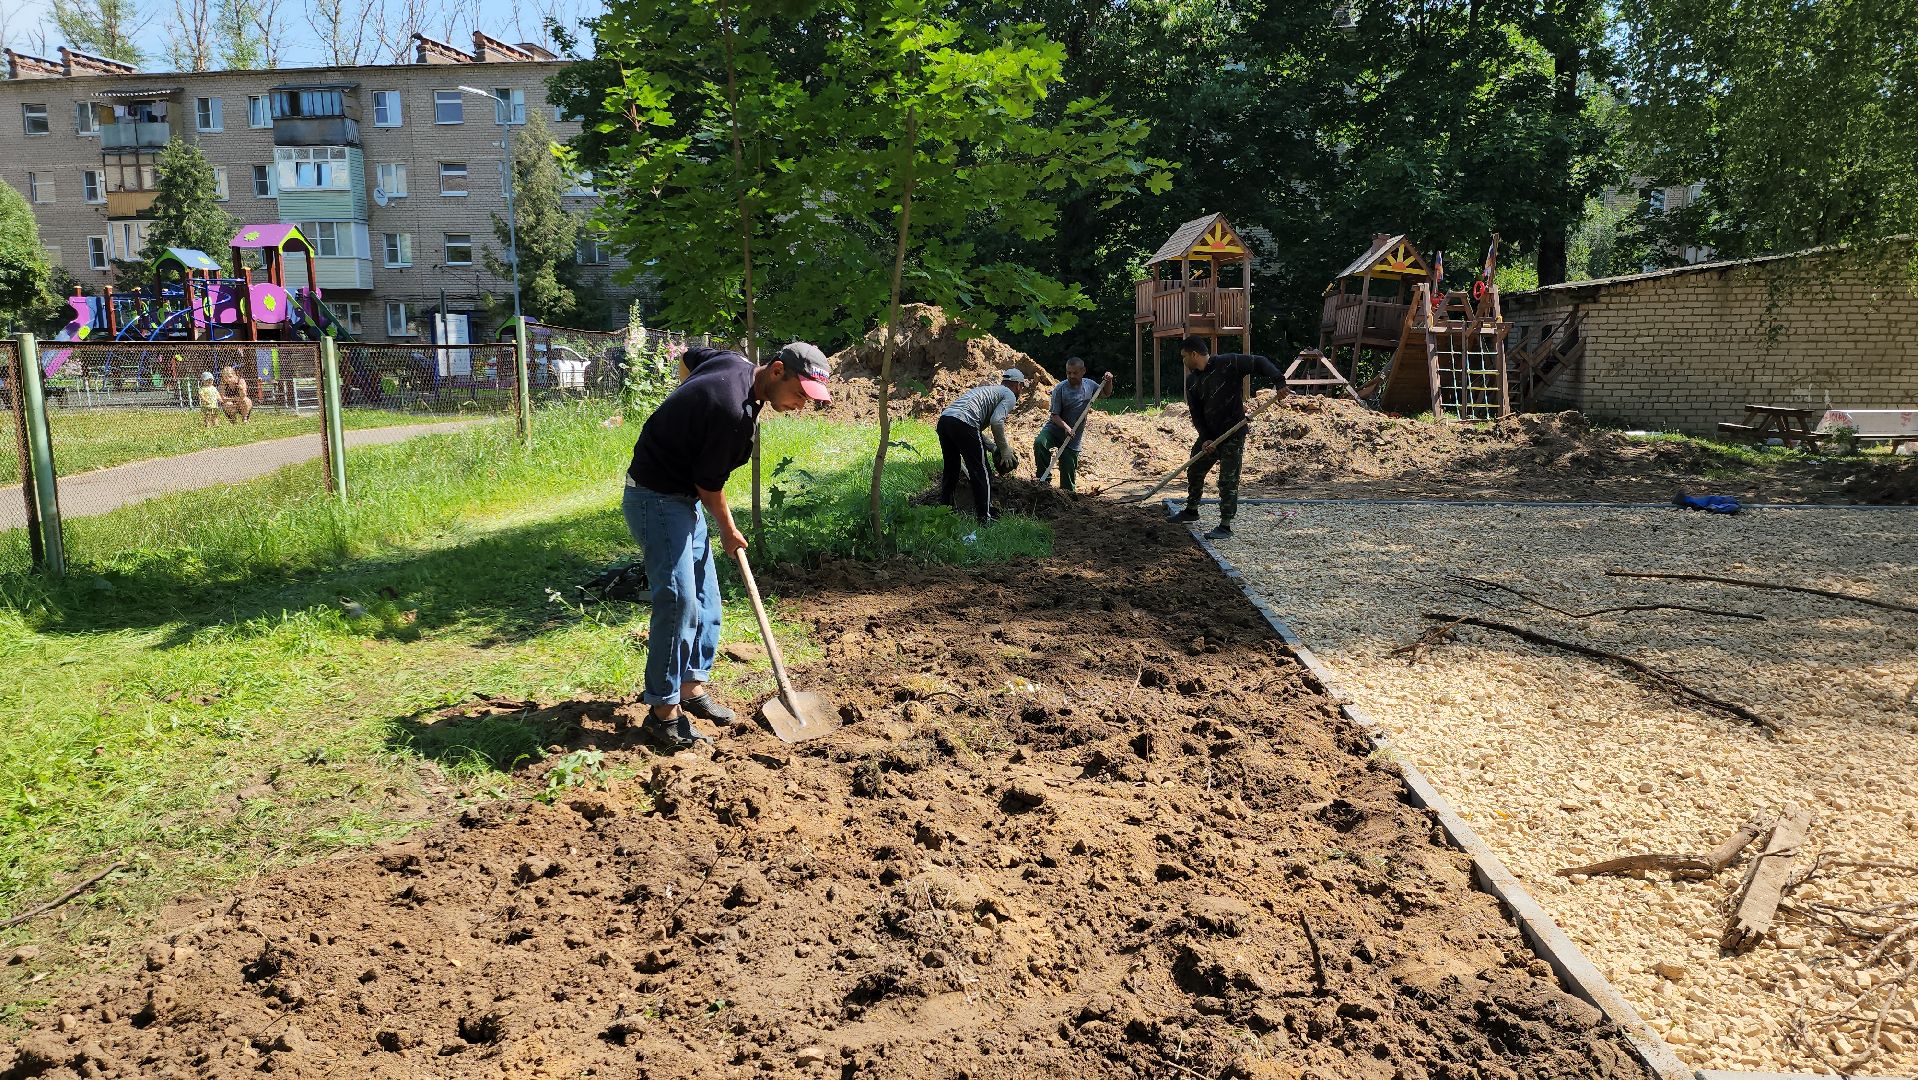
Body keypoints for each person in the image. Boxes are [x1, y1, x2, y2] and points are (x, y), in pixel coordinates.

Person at [625, 341, 831, 750]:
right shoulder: (728, 412)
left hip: (682, 498)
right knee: (680, 599)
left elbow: (688, 359)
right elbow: (709, 485)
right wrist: (728, 528)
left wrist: (685, 410)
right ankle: (663, 712)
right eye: (799, 395)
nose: (801, 406)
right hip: (657, 498)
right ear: (776, 371)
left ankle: (691, 688)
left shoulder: (734, 363)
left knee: (707, 597)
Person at [1173, 336, 1285, 540]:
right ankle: (1191, 510)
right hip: (1211, 435)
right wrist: (1205, 438)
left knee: (1227, 480)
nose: (1183, 361)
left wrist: (1279, 381)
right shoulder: (1192, 382)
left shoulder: (1228, 363)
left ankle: (1225, 525)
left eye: (1184, 357)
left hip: (1233, 432)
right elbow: (1196, 414)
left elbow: (1258, 362)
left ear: (1193, 354)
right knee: (1195, 469)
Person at [938, 369, 1031, 521]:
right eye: (1021, 388)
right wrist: (1004, 449)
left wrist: (993, 447)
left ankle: (944, 510)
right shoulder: (1009, 394)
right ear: (1018, 385)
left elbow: (973, 429)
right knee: (982, 471)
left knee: (951, 468)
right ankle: (985, 516)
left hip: (945, 420)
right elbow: (996, 421)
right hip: (963, 423)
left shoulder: (988, 390)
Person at [1032, 356, 1114, 492]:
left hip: (1074, 435)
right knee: (1040, 443)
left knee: (1067, 467)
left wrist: (1109, 381)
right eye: (1068, 373)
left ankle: (1068, 496)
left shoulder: (1090, 385)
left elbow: (1106, 392)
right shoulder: (1060, 389)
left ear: (1083, 371)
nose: (1071, 376)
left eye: (1075, 373)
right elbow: (1054, 415)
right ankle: (1043, 483)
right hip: (1055, 429)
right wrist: (1065, 427)